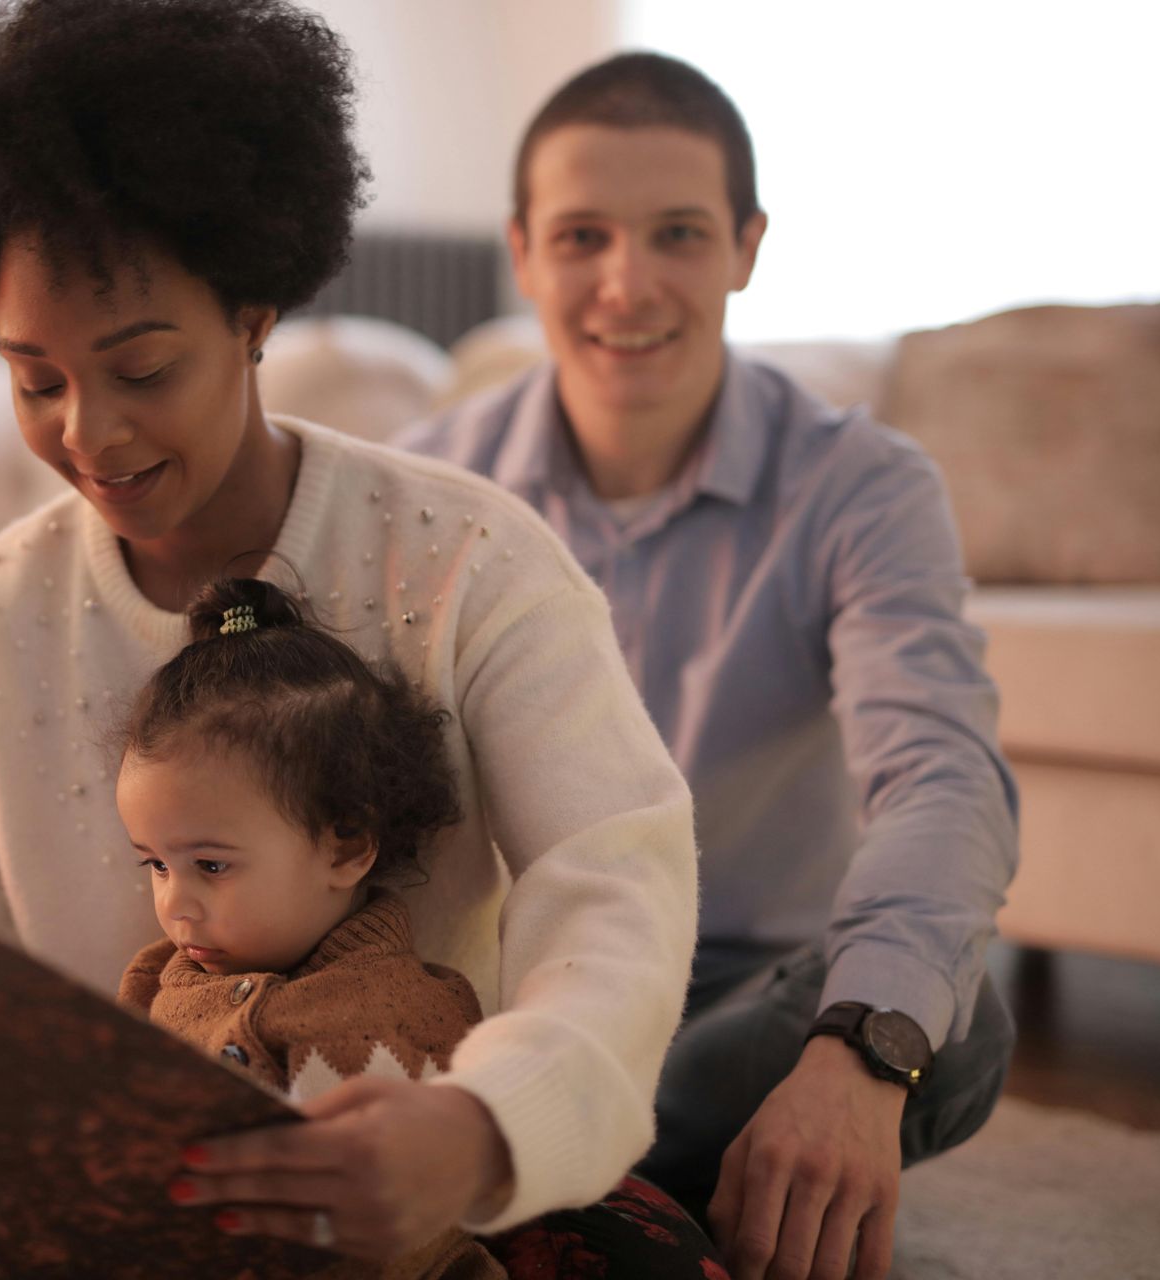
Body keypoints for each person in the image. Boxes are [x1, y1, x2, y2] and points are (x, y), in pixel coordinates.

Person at [0, 5, 706, 1276]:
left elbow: (616, 893)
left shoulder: (472, 561)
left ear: (254, 312)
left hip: (422, 1195)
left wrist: (479, 1128)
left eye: (142, 367)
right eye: (35, 378)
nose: (89, 434)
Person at [399, 51, 1019, 1280]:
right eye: (584, 236)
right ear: (523, 255)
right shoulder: (427, 488)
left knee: (954, 1023)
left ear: (745, 246)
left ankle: (491, 1180)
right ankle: (575, 1182)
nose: (627, 284)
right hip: (517, 987)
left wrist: (855, 1058)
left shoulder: (864, 484)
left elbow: (942, 778)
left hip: (748, 997)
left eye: (677, 232)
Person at [114, 574, 502, 1278]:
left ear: (347, 847)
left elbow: (410, 1223)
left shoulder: (407, 1012)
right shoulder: (154, 983)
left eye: (211, 865)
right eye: (156, 865)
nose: (177, 904)